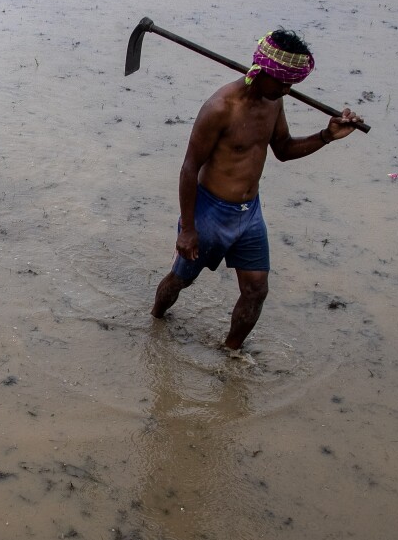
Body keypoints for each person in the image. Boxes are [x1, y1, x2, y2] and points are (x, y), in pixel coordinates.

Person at [150, 29, 361, 352]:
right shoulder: (220, 108)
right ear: (261, 72)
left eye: (292, 85)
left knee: (256, 290)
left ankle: (231, 352)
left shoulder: (273, 103)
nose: (287, 90)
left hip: (250, 214)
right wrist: (188, 229)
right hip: (210, 211)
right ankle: (155, 321)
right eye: (282, 83)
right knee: (182, 279)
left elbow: (284, 149)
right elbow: (189, 168)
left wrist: (327, 136)